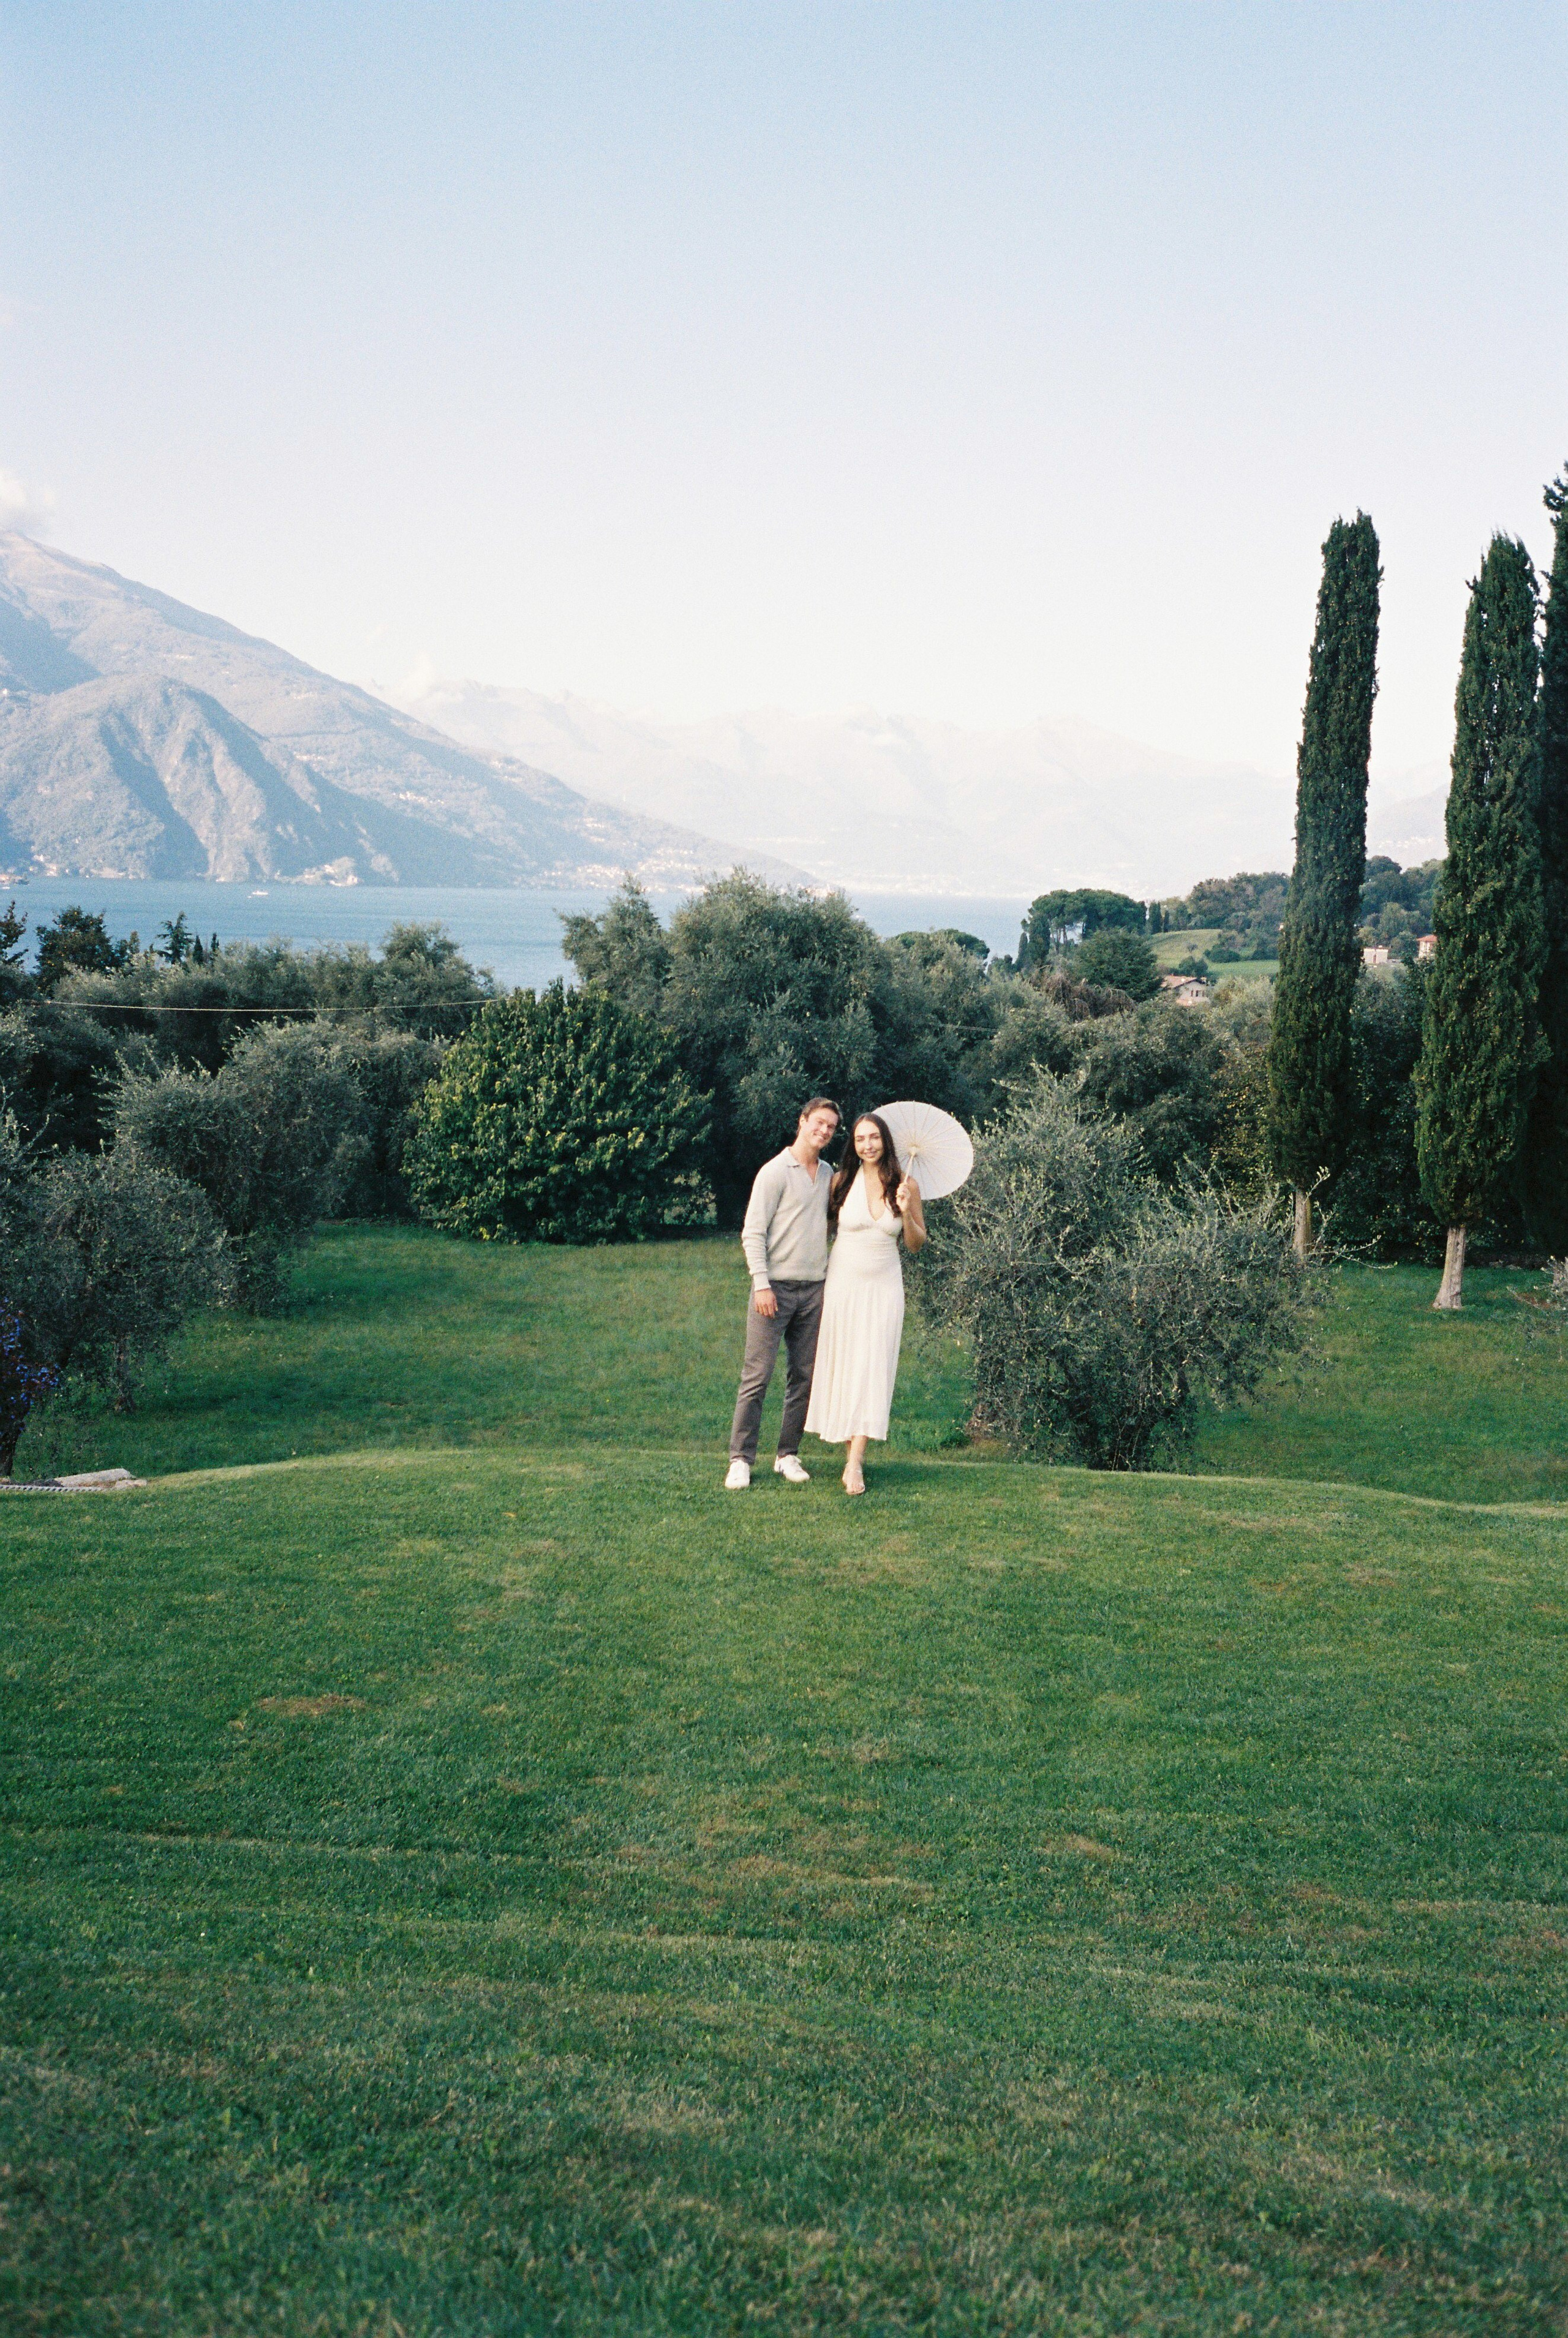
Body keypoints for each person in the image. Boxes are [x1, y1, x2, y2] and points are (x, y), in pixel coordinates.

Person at [804, 1111, 925, 1494]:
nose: (867, 1145)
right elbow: (813, 1226)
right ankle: (850, 1452)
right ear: (853, 1145)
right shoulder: (840, 1181)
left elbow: (916, 1243)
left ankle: (855, 1460)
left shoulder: (906, 1184)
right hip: (843, 1284)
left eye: (874, 1137)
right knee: (845, 1366)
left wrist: (906, 1213)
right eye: (860, 1139)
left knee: (873, 1367)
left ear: (885, 1141)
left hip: (884, 1287)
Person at [725, 1096, 842, 1490]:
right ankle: (741, 1459)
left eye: (831, 1127)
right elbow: (752, 1232)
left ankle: (787, 1455)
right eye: (819, 1123)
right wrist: (761, 1283)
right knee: (757, 1376)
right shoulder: (774, 1172)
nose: (824, 1131)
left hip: (814, 1291)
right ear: (803, 1121)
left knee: (803, 1376)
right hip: (773, 1289)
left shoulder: (828, 1174)